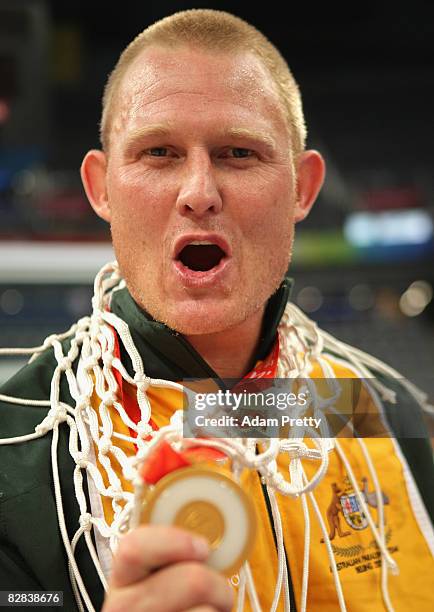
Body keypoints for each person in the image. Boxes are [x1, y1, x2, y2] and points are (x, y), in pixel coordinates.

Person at [0, 8, 433, 612]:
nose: (200, 193)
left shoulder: (381, 410)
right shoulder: (15, 448)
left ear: (303, 188)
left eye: (237, 153)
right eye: (158, 152)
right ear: (100, 189)